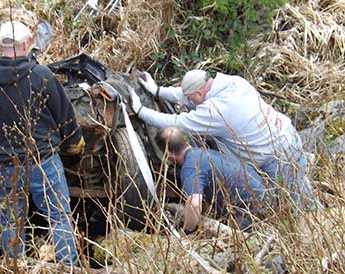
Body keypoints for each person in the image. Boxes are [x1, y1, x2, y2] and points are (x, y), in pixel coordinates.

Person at [0, 21, 84, 265]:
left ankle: (14, 271)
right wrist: (75, 143)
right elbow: (65, 116)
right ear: (25, 45)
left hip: (2, 165)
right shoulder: (40, 75)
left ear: (0, 46)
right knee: (58, 216)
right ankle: (68, 270)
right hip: (42, 161)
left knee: (10, 219)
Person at [129, 69, 318, 210]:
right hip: (286, 134)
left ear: (200, 94)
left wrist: (140, 111)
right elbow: (185, 95)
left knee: (300, 209)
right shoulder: (233, 83)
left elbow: (176, 121)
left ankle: (317, 248)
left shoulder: (216, 111)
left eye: (192, 99)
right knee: (295, 195)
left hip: (278, 156)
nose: (190, 103)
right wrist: (158, 91)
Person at [157, 127, 267, 231]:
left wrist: (186, 231)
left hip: (251, 213)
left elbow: (194, 204)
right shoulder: (205, 152)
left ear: (168, 154)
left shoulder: (191, 166)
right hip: (266, 199)